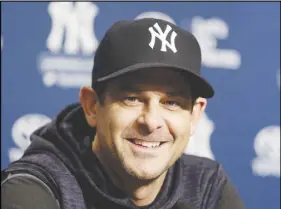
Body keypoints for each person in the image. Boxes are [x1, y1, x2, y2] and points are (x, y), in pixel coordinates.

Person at [1, 18, 245, 209]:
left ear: (194, 116)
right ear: (92, 106)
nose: (151, 121)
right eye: (132, 99)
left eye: (171, 102)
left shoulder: (206, 188)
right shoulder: (34, 189)